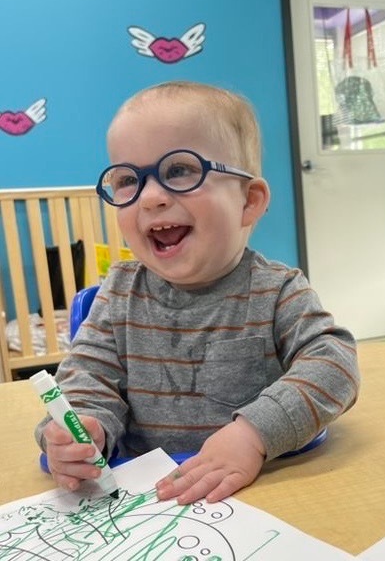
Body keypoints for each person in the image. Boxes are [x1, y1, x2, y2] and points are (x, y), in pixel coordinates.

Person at [36, 81, 360, 503]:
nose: (150, 197)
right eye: (128, 180)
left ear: (249, 201)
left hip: (260, 494)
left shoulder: (278, 290)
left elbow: (336, 367)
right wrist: (82, 429)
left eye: (179, 171)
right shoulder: (118, 294)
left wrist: (253, 434)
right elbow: (86, 379)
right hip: (145, 500)